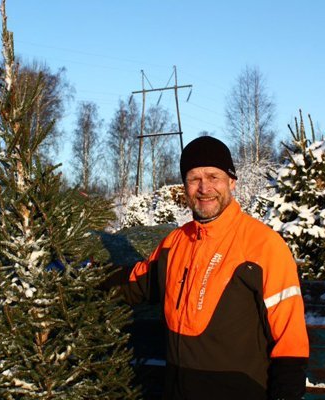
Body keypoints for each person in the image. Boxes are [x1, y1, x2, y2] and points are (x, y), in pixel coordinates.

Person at [118, 136, 308, 399]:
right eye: (194, 178)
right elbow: (135, 284)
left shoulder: (264, 246)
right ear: (185, 186)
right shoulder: (174, 244)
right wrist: (83, 276)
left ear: (231, 181)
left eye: (213, 177)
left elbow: (291, 338)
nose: (204, 188)